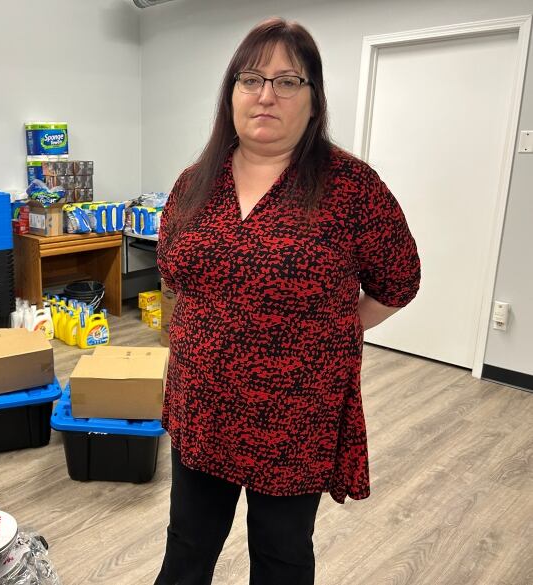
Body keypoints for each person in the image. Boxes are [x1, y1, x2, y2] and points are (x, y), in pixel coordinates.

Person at [154, 17, 421, 585]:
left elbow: (399, 280)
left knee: (281, 558)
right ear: (231, 95)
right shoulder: (194, 181)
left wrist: (332, 330)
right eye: (251, 79)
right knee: (186, 550)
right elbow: (175, 274)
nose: (266, 94)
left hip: (293, 415)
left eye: (287, 81)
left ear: (314, 99)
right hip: (203, 404)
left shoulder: (351, 187)